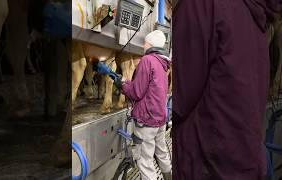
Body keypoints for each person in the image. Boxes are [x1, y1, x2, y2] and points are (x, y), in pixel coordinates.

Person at [173, 0, 282, 179]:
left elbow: (179, 101)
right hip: (243, 163)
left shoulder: (203, 5)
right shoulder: (256, 17)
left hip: (204, 166)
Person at [115, 30, 172, 180]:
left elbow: (136, 93)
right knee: (162, 152)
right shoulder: (163, 64)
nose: (143, 45)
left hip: (147, 120)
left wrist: (122, 86)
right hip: (160, 119)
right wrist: (127, 83)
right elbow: (149, 89)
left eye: (145, 43)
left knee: (144, 161)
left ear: (151, 44)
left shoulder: (147, 60)